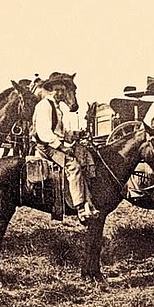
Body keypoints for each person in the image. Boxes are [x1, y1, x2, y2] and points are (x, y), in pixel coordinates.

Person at [33, 73, 99, 222]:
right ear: (50, 90)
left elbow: (59, 132)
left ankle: (89, 202)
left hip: (53, 143)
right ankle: (80, 208)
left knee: (85, 159)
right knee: (74, 167)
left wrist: (75, 134)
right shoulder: (44, 105)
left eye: (62, 90)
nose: (61, 93)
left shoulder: (56, 107)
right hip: (47, 147)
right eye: (57, 90)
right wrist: (62, 147)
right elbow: (45, 133)